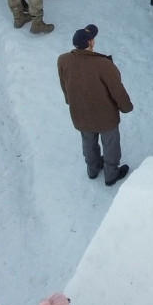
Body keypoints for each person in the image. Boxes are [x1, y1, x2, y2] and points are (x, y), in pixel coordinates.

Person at [57, 24, 135, 185]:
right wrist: (126, 107)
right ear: (91, 43)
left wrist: (69, 100)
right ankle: (111, 174)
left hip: (80, 112)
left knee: (88, 141)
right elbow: (117, 90)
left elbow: (63, 83)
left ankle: (92, 169)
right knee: (110, 144)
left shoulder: (63, 60)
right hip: (105, 115)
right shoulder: (104, 64)